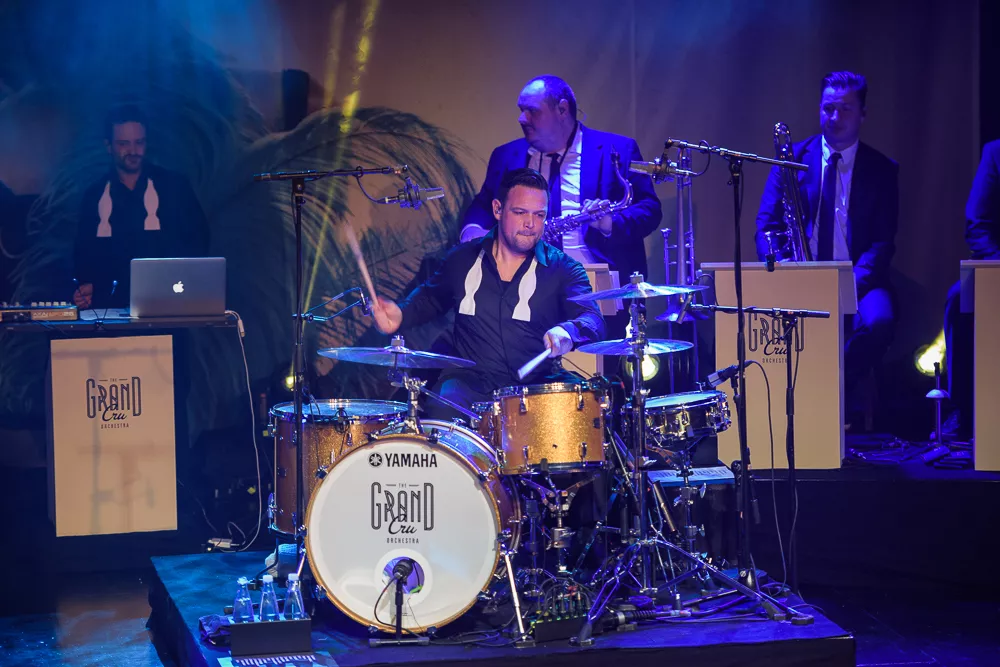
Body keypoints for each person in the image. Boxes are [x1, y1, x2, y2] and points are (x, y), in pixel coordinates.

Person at [371, 167, 605, 411]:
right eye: (520, 212)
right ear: (497, 209)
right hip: (469, 385)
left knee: (586, 405)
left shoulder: (564, 269)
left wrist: (569, 331)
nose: (530, 224)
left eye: (539, 215)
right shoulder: (463, 259)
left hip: (536, 386)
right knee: (443, 406)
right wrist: (400, 314)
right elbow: (430, 300)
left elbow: (593, 319)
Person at [460, 75, 662, 335]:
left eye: (532, 111)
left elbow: (649, 209)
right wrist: (472, 231)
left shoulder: (618, 149)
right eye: (521, 110)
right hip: (524, 290)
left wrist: (609, 223)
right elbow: (484, 205)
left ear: (563, 110)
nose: (521, 119)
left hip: (598, 290)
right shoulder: (506, 155)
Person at [755, 71, 899, 426]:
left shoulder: (882, 169)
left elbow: (883, 243)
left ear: (863, 114)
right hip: (798, 274)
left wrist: (847, 284)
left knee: (880, 321)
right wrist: (786, 270)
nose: (835, 117)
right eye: (828, 108)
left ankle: (835, 387)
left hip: (859, 279)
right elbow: (766, 225)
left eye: (845, 109)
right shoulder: (791, 159)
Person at [72, 105, 209, 309]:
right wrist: (86, 291)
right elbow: (83, 257)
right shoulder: (95, 196)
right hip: (111, 310)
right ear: (108, 146)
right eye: (123, 144)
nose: (133, 151)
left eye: (139, 142)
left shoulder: (174, 187)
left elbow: (198, 245)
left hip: (170, 305)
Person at [939, 139, 1000, 440]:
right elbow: (978, 223)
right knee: (959, 298)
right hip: (999, 265)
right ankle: (963, 410)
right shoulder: (996, 153)